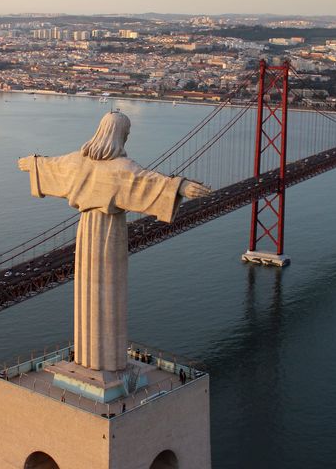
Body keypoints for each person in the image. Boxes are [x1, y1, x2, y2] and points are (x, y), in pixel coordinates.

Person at [19, 112, 209, 371]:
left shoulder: (78, 161)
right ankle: (104, 367)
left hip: (88, 229)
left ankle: (92, 363)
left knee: (92, 289)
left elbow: (52, 165)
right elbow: (148, 182)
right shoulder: (121, 168)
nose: (128, 136)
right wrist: (180, 186)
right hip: (111, 233)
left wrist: (33, 164)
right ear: (121, 135)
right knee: (106, 286)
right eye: (127, 133)